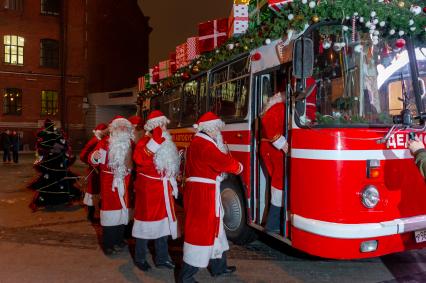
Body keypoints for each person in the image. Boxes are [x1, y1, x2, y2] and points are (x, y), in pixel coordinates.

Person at [179, 112, 243, 283]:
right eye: (217, 129)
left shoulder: (199, 142)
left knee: (216, 230)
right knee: (201, 232)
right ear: (210, 129)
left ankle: (218, 267)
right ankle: (186, 277)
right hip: (203, 194)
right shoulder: (204, 145)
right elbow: (222, 162)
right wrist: (238, 166)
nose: (218, 132)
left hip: (204, 191)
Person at [132, 110, 180, 271]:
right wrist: (156, 141)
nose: (166, 127)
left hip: (163, 190)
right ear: (156, 126)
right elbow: (139, 160)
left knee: (163, 227)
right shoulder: (144, 142)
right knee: (144, 227)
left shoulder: (165, 141)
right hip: (149, 192)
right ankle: (139, 258)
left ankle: (162, 258)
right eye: (163, 124)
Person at [89, 116, 134, 255]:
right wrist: (95, 156)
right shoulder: (105, 144)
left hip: (125, 182)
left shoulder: (130, 143)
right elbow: (94, 161)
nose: (123, 129)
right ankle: (108, 244)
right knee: (110, 214)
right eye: (120, 127)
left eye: (125, 127)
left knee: (122, 213)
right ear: (113, 129)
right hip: (110, 183)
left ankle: (119, 240)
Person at [260, 91, 288, 233]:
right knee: (279, 183)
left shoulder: (274, 106)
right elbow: (268, 123)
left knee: (278, 183)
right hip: (274, 150)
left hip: (270, 149)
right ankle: (273, 223)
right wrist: (282, 143)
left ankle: (274, 222)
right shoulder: (280, 107)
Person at [79, 123, 108, 222]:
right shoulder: (95, 141)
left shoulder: (100, 140)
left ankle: (94, 214)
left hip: (97, 171)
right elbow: (83, 155)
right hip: (94, 171)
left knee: (96, 192)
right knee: (93, 192)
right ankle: (91, 216)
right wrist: (91, 163)